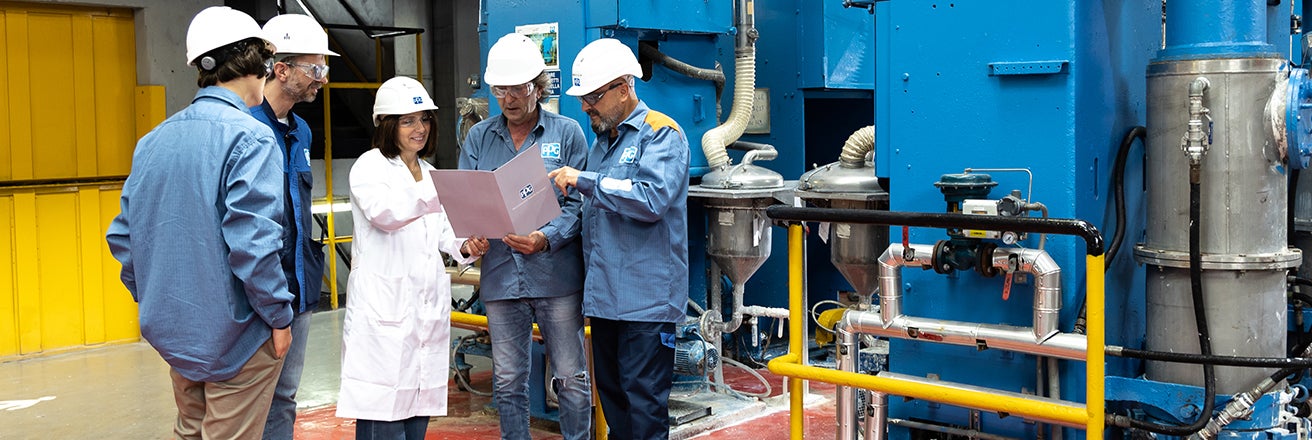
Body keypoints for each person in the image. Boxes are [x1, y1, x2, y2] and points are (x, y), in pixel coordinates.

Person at [104, 6, 291, 439]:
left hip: (177, 335)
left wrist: (158, 302)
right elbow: (254, 244)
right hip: (241, 336)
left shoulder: (153, 140)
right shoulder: (252, 136)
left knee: (190, 431)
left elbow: (123, 237)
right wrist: (279, 317)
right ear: (256, 63)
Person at [548, 38, 691, 440]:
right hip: (606, 301)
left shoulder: (661, 134)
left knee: (644, 406)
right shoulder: (602, 143)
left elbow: (651, 199)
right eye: (582, 98)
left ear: (624, 87)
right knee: (614, 402)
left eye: (593, 96)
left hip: (646, 306)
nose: (585, 106)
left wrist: (583, 180)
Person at [337, 76, 491, 440]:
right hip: (383, 316)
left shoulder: (431, 172)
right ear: (386, 124)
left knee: (416, 419)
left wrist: (466, 246)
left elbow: (441, 231)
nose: (419, 129)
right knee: (383, 421)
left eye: (424, 120)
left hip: (423, 314)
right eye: (407, 121)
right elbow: (386, 214)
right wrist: (437, 191)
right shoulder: (368, 168)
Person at [459, 33, 591, 440]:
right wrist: (472, 235)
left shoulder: (567, 134)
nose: (509, 98)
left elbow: (580, 206)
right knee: (508, 380)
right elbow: (466, 199)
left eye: (517, 89)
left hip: (555, 276)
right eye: (500, 90)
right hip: (500, 275)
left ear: (538, 86)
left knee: (570, 377)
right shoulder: (480, 137)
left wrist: (546, 237)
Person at [249, 13, 335, 440]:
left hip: (298, 285)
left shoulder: (300, 129)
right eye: (314, 68)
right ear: (281, 70)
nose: (322, 78)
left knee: (285, 396)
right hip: (254, 292)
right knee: (248, 398)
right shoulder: (244, 126)